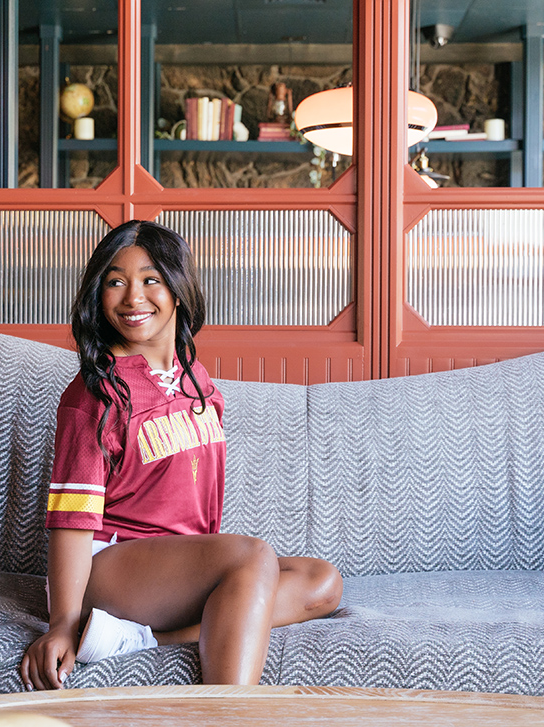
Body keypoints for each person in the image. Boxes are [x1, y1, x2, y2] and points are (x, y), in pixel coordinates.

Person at [19, 220, 342, 691]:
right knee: (251, 556)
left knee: (321, 580)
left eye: (151, 280)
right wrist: (63, 622)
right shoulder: (96, 394)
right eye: (115, 281)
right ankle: (224, 726)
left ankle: (147, 639)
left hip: (176, 570)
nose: (133, 297)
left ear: (178, 287)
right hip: (109, 563)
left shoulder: (198, 381)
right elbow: (71, 517)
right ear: (97, 294)